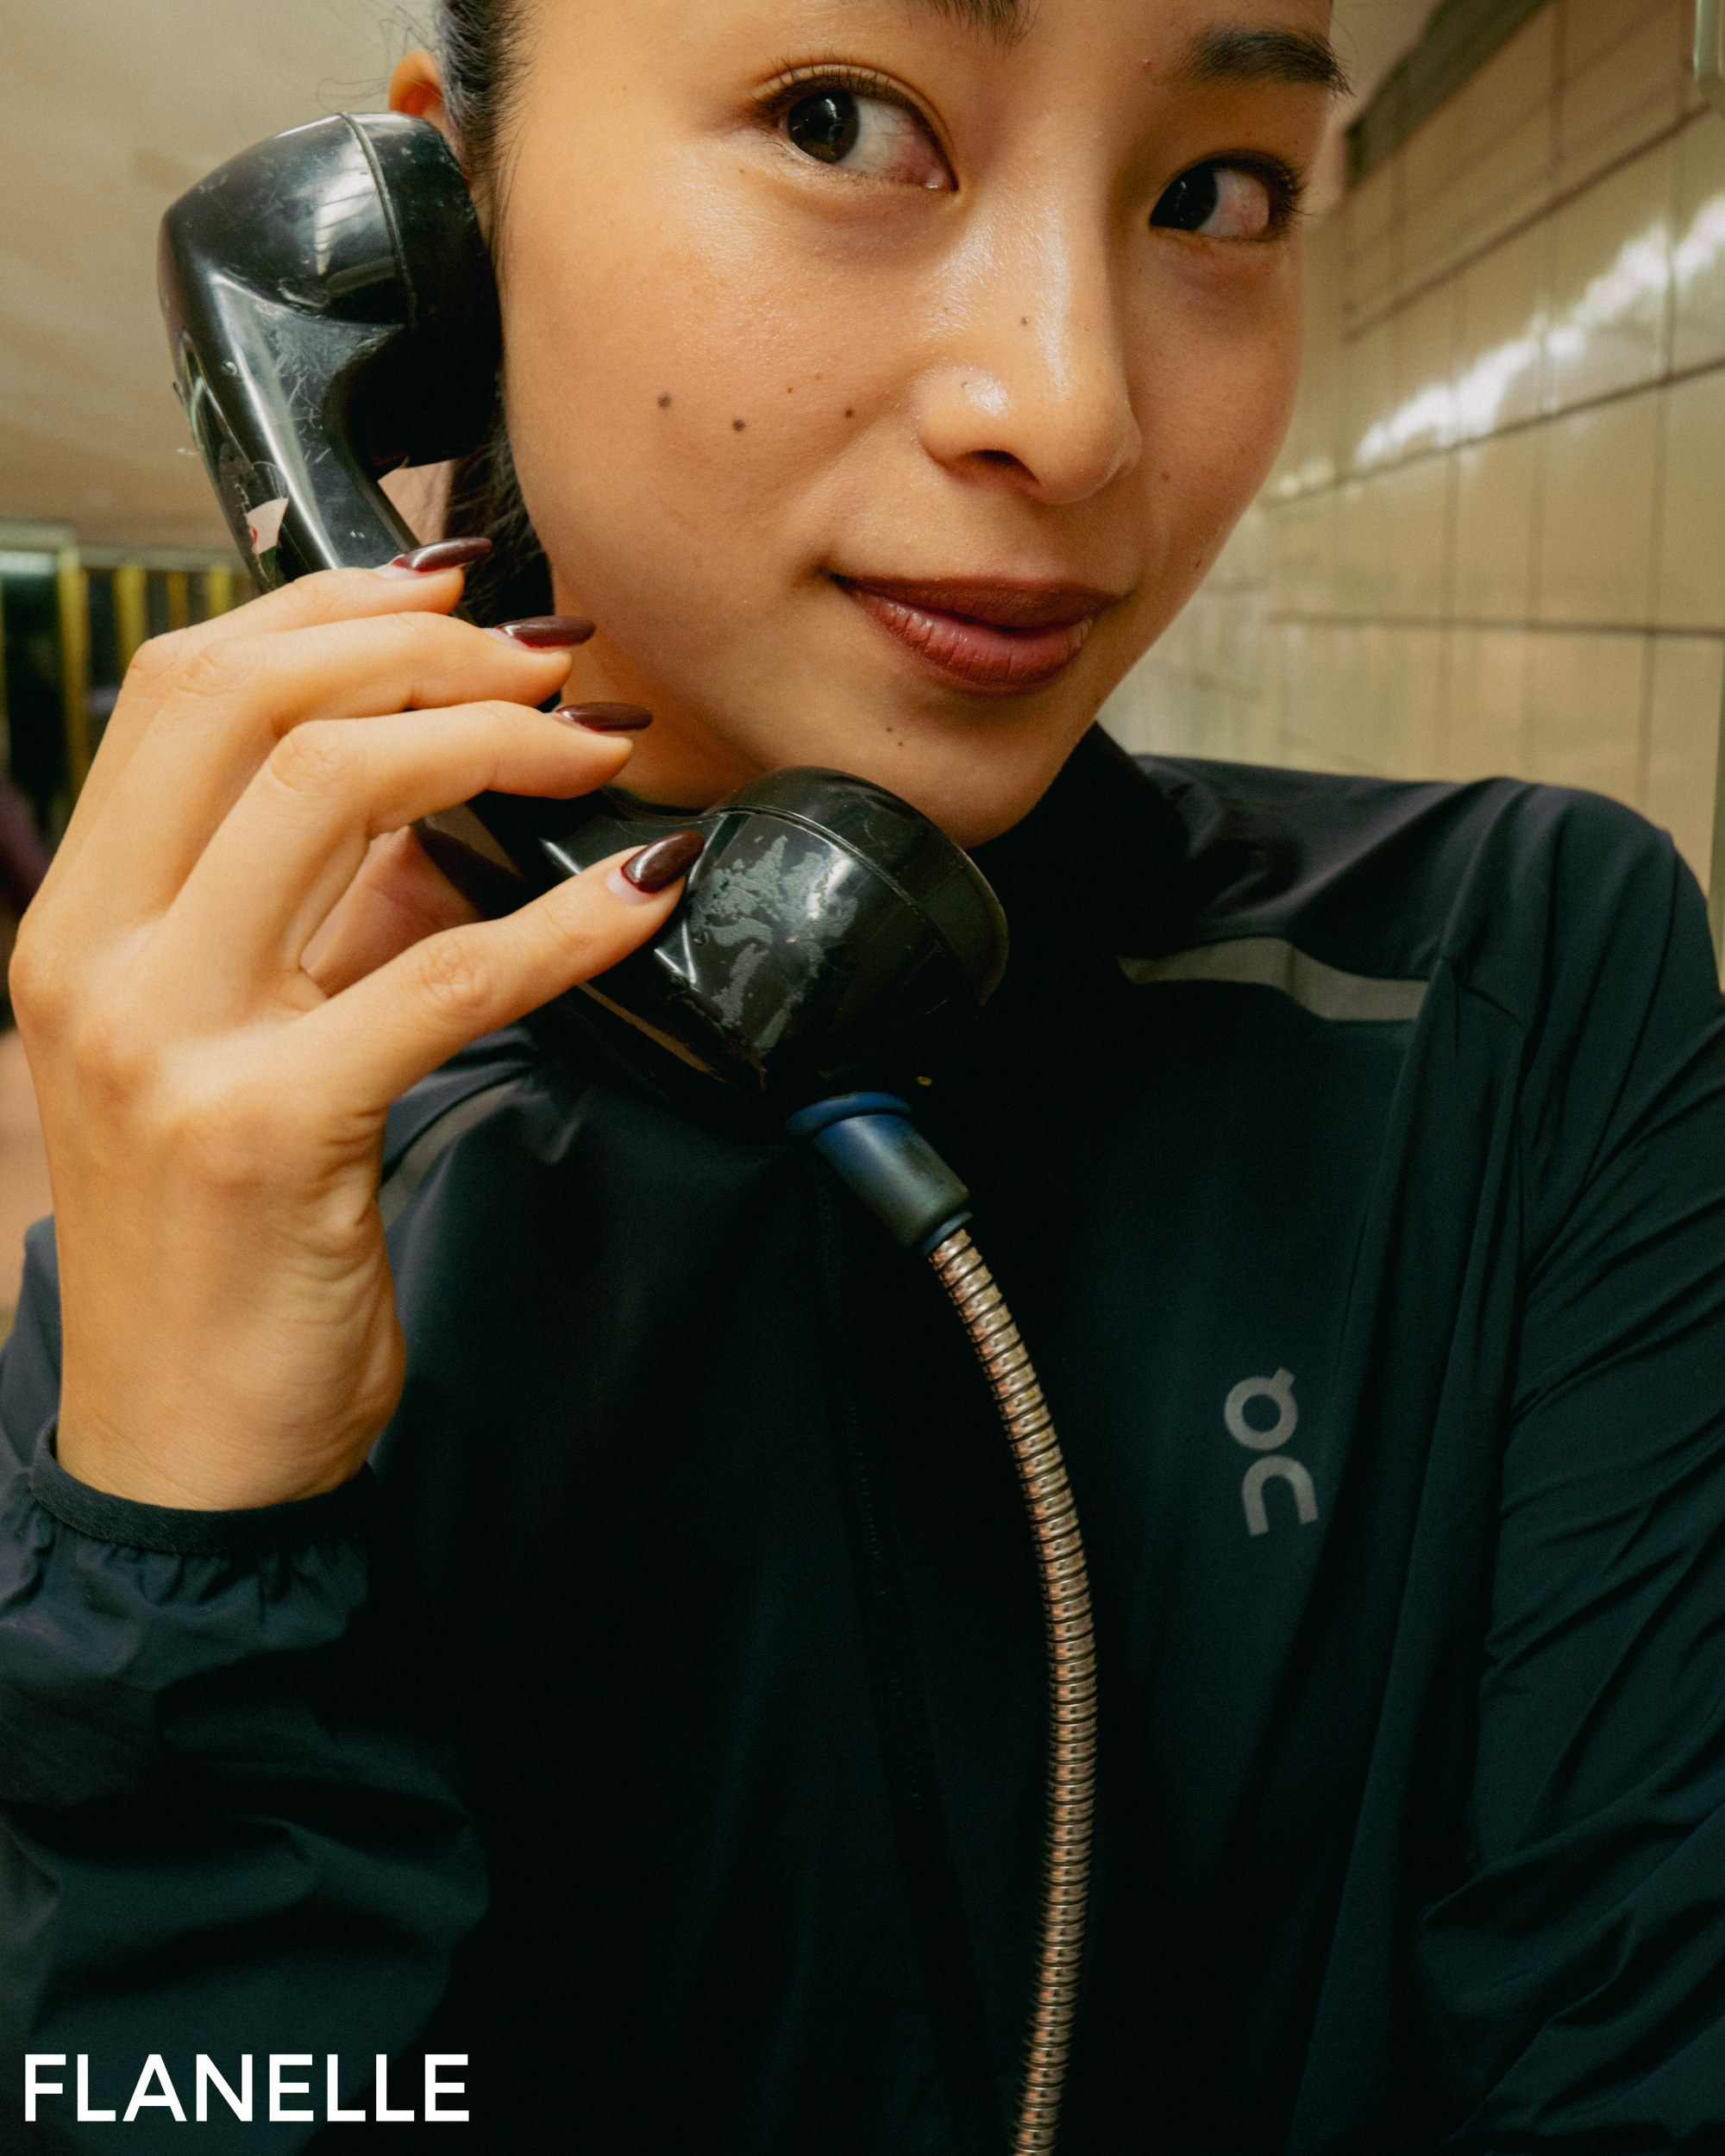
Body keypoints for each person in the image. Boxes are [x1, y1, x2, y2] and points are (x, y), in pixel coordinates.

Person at [3, 0, 1724, 2147]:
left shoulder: (1501, 982)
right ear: (451, 219)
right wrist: (185, 1568)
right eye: (841, 123)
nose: (1073, 413)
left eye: (1215, 193)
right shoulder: (227, 1229)